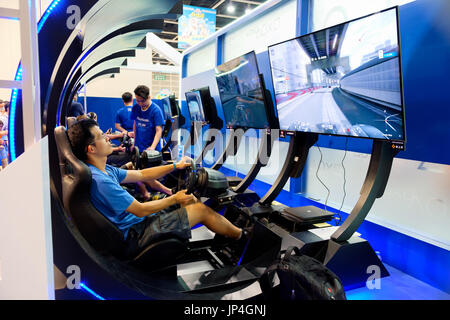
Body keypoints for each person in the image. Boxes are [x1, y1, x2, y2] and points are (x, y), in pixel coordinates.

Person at [66, 119, 249, 256]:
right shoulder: (100, 180)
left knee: (191, 199)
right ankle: (244, 238)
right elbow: (140, 210)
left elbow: (142, 175)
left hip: (136, 223)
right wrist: (174, 198)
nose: (108, 137)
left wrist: (176, 165)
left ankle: (194, 235)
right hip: (135, 233)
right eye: (101, 136)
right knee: (201, 210)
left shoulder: (103, 168)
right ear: (91, 148)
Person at [131, 85, 164, 153]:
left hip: (151, 149)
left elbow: (159, 131)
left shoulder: (156, 111)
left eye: (142, 101)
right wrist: (134, 143)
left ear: (149, 97)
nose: (140, 103)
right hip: (138, 147)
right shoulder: (135, 108)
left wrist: (152, 147)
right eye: (137, 100)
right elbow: (135, 124)